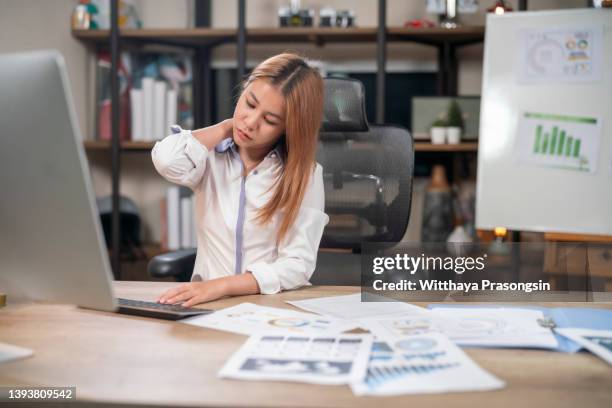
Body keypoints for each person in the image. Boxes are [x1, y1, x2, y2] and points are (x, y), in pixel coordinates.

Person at [152, 53, 328, 307]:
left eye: (270, 120)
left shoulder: (305, 175)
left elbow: (297, 265)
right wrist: (226, 127)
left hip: (271, 307)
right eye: (250, 103)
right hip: (207, 307)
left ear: (289, 128)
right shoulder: (209, 156)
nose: (251, 122)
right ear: (243, 90)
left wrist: (222, 286)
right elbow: (167, 161)